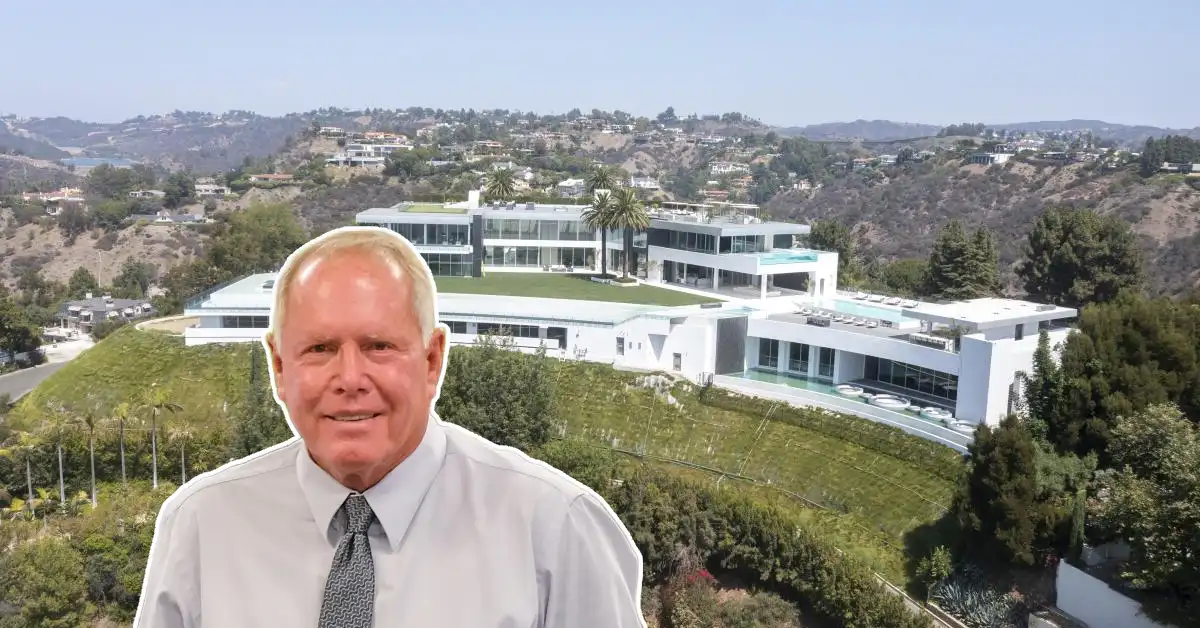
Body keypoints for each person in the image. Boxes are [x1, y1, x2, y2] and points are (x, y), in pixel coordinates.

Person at [134, 226, 647, 627]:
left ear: (432, 361)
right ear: (278, 366)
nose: (350, 378)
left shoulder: (554, 529)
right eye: (320, 349)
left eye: (379, 346)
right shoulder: (202, 527)